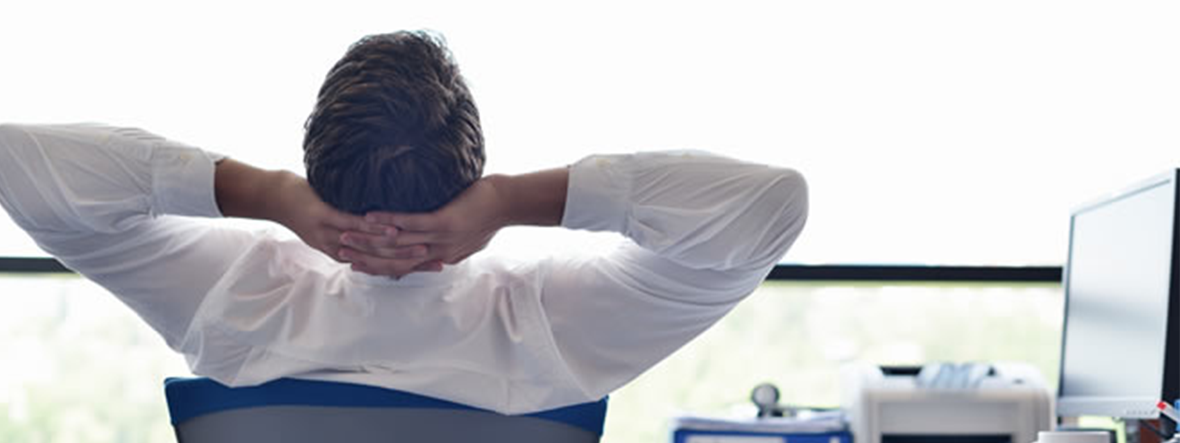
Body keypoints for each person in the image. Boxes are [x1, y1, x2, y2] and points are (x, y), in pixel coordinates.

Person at [0, 31, 808, 414]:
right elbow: (769, 206)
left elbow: (19, 163)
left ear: (319, 171)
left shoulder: (238, 303)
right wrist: (511, 202)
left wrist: (269, 195)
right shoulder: (551, 329)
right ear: (468, 177)